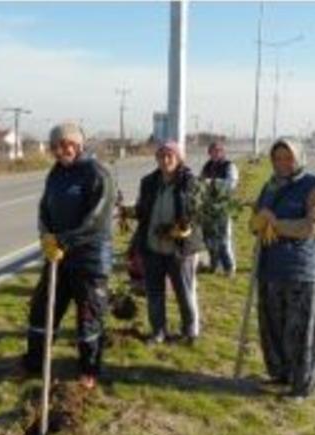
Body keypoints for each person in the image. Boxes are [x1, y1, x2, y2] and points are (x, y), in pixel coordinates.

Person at [21, 122, 115, 390]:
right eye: (56, 146)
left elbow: (95, 220)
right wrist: (46, 234)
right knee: (42, 309)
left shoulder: (97, 173)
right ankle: (34, 362)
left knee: (89, 315)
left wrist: (63, 240)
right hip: (58, 257)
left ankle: (89, 368)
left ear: (78, 144)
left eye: (66, 144)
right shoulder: (56, 173)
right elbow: (44, 207)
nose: (62, 150)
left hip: (90, 258)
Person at [250, 137, 315, 399]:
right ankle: (281, 374)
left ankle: (301, 385)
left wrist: (277, 224)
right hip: (270, 268)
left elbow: (313, 226)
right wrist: (259, 222)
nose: (283, 163)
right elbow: (254, 224)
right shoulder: (269, 187)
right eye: (278, 158)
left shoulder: (314, 188)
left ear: (299, 158)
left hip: (300, 271)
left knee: (299, 332)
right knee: (273, 327)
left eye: (288, 158)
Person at [130, 140, 205, 345]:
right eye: (161, 156)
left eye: (170, 155)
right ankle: (158, 331)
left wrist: (184, 229)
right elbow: (143, 209)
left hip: (180, 248)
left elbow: (199, 213)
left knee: (184, 291)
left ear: (179, 158)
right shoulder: (148, 182)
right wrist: (131, 211)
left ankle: (190, 331)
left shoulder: (190, 182)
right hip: (153, 246)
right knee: (154, 292)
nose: (165, 160)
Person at [199, 140, 239, 276]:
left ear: (223, 152)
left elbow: (231, 184)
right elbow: (200, 183)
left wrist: (213, 182)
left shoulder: (229, 166)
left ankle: (229, 268)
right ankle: (214, 264)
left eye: (218, 151)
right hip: (208, 207)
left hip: (223, 206)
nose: (215, 153)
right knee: (209, 238)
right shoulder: (207, 166)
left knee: (223, 238)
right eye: (212, 151)